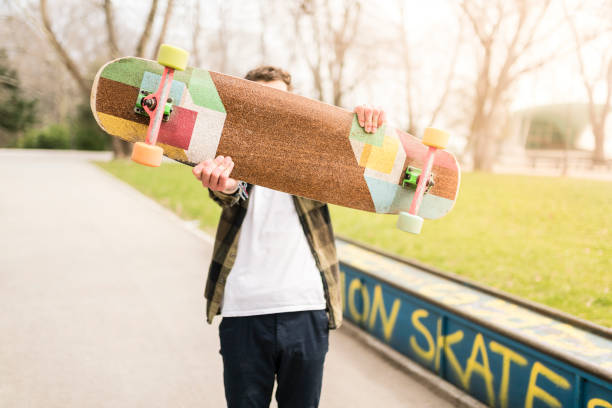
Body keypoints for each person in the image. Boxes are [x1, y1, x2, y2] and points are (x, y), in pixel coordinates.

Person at [192, 66, 386, 408]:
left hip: (305, 308)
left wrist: (365, 127)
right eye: (261, 102)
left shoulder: (319, 154)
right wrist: (226, 186)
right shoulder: (228, 152)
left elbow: (364, 168)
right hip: (243, 312)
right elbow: (229, 192)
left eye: (280, 101)